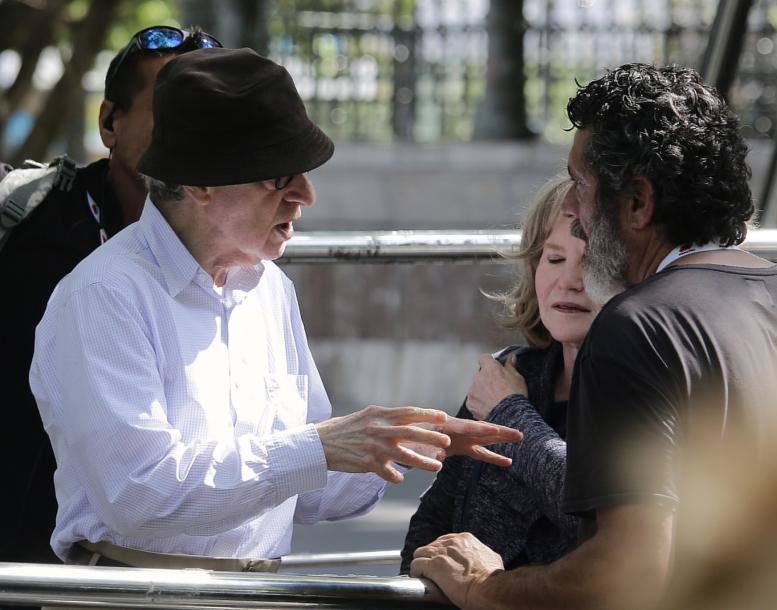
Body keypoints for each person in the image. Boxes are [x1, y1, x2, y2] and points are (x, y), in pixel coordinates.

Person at [29, 47, 521, 570]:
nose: (305, 194)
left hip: (259, 588)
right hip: (135, 593)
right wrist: (322, 447)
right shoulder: (105, 295)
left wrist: (401, 444)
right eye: (278, 176)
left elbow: (305, 492)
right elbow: (140, 498)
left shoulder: (268, 289)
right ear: (199, 184)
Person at [410, 63, 777, 610]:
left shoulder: (636, 325)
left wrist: (483, 588)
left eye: (580, 186)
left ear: (637, 202)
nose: (571, 211)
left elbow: (626, 572)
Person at [0, 24, 223, 564]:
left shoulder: (239, 249)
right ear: (109, 122)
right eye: (171, 109)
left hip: (150, 559)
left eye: (210, 116)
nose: (192, 133)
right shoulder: (32, 217)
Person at [400, 176, 597, 573]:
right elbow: (434, 523)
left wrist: (510, 413)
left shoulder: (645, 383)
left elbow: (601, 517)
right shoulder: (512, 370)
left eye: (591, 263)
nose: (569, 282)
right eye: (554, 259)